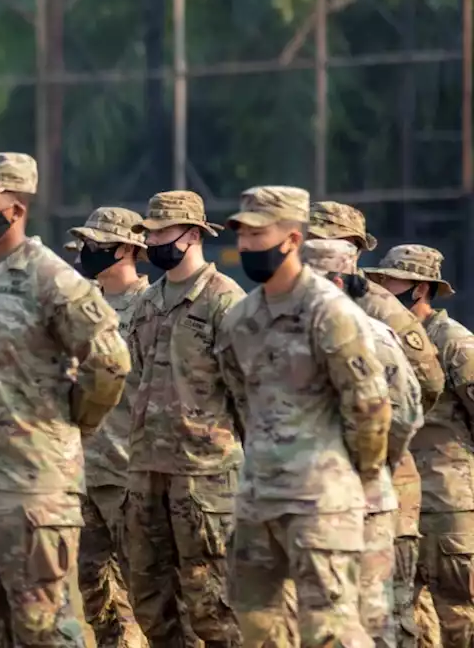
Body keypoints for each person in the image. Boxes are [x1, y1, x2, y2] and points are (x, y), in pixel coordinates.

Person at [0, 152, 131, 646]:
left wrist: (71, 425)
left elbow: (109, 363)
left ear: (17, 208)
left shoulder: (53, 280)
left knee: (42, 628)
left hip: (31, 487)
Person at [215, 186, 388, 646]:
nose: (247, 244)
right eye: (241, 233)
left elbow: (369, 408)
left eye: (258, 233)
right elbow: (238, 401)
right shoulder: (240, 320)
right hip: (257, 501)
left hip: (320, 503)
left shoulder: (329, 314)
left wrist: (355, 474)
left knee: (330, 631)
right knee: (257, 627)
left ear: (292, 239)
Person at [307, 203, 445, 648]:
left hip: (382, 480)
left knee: (386, 612)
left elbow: (426, 383)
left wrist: (377, 438)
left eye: (334, 241)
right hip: (315, 486)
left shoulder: (381, 306)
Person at [124, 191, 245, 648]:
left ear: (193, 234)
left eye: (160, 233)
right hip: (146, 469)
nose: (152, 241)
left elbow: (247, 392)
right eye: (148, 233)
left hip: (205, 478)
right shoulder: (146, 302)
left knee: (212, 606)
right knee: (151, 603)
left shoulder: (224, 302)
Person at [363, 245, 474, 647]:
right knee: (402, 617)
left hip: (449, 502)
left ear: (421, 288)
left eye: (391, 281)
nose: (382, 288)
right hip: (399, 501)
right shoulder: (381, 337)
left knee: (460, 615)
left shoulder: (453, 341)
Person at [66, 208, 150, 648]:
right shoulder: (81, 310)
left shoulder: (148, 308)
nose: (86, 252)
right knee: (98, 599)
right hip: (82, 473)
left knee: (150, 598)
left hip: (129, 472)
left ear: (125, 249)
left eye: (96, 244)